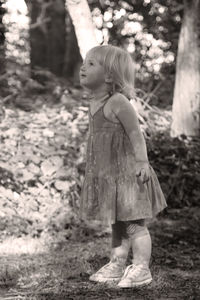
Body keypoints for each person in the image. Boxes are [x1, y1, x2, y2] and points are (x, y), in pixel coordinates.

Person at [79, 45, 167, 288]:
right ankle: (117, 263)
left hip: (129, 176)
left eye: (91, 63)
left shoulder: (118, 101)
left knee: (134, 224)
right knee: (116, 222)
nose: (83, 66)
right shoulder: (94, 102)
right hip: (110, 177)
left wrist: (142, 162)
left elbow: (135, 134)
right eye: (85, 62)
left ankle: (141, 267)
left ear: (109, 76)